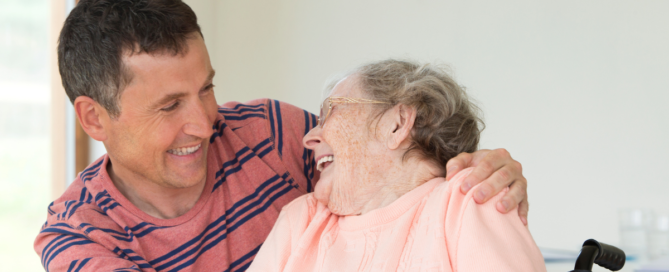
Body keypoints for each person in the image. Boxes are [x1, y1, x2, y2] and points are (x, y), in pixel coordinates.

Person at [34, 1, 530, 271]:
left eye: (206, 88)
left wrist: (477, 170)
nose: (206, 124)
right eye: (169, 106)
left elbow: (390, 164)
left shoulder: (274, 133)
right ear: (94, 119)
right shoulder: (78, 236)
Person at [248, 60, 545, 272]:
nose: (310, 137)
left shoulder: (467, 199)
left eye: (329, 112)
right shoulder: (301, 220)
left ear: (397, 124)